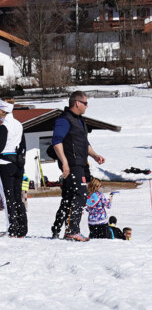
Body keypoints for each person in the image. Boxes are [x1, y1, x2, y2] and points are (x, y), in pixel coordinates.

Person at [50, 91, 105, 241]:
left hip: (80, 163)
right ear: (77, 103)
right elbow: (56, 142)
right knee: (81, 194)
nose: (87, 106)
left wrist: (95, 155)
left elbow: (84, 143)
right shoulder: (64, 120)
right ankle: (72, 230)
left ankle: (56, 229)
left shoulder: (80, 121)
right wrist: (65, 163)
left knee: (69, 197)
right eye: (85, 103)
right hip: (72, 164)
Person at [0, 99, 27, 238]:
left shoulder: (4, 126)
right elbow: (23, 146)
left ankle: (11, 229)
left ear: (3, 110)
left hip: (4, 164)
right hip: (17, 164)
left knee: (8, 197)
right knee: (17, 197)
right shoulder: (18, 124)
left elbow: (0, 148)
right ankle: (22, 229)